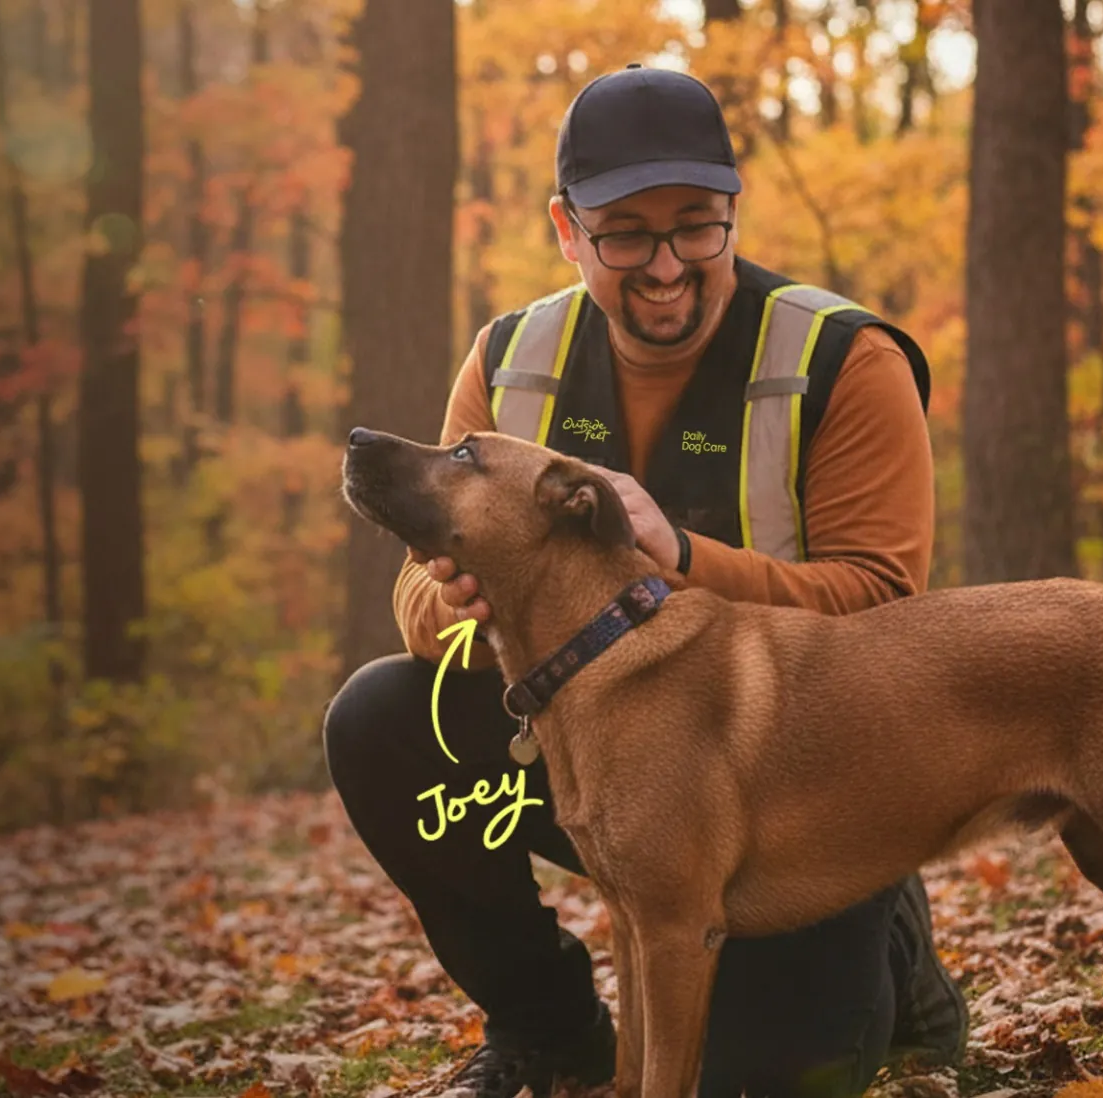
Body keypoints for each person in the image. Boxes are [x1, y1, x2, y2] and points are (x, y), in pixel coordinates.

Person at [322, 64, 966, 1098]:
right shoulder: (511, 360)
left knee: (759, 1080)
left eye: (695, 226)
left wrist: (681, 558)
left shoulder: (840, 360)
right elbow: (413, 594)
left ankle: (887, 941)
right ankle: (546, 1027)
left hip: (800, 784)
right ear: (566, 230)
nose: (665, 265)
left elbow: (887, 616)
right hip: (599, 760)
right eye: (624, 232)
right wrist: (464, 602)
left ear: (730, 215)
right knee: (381, 717)